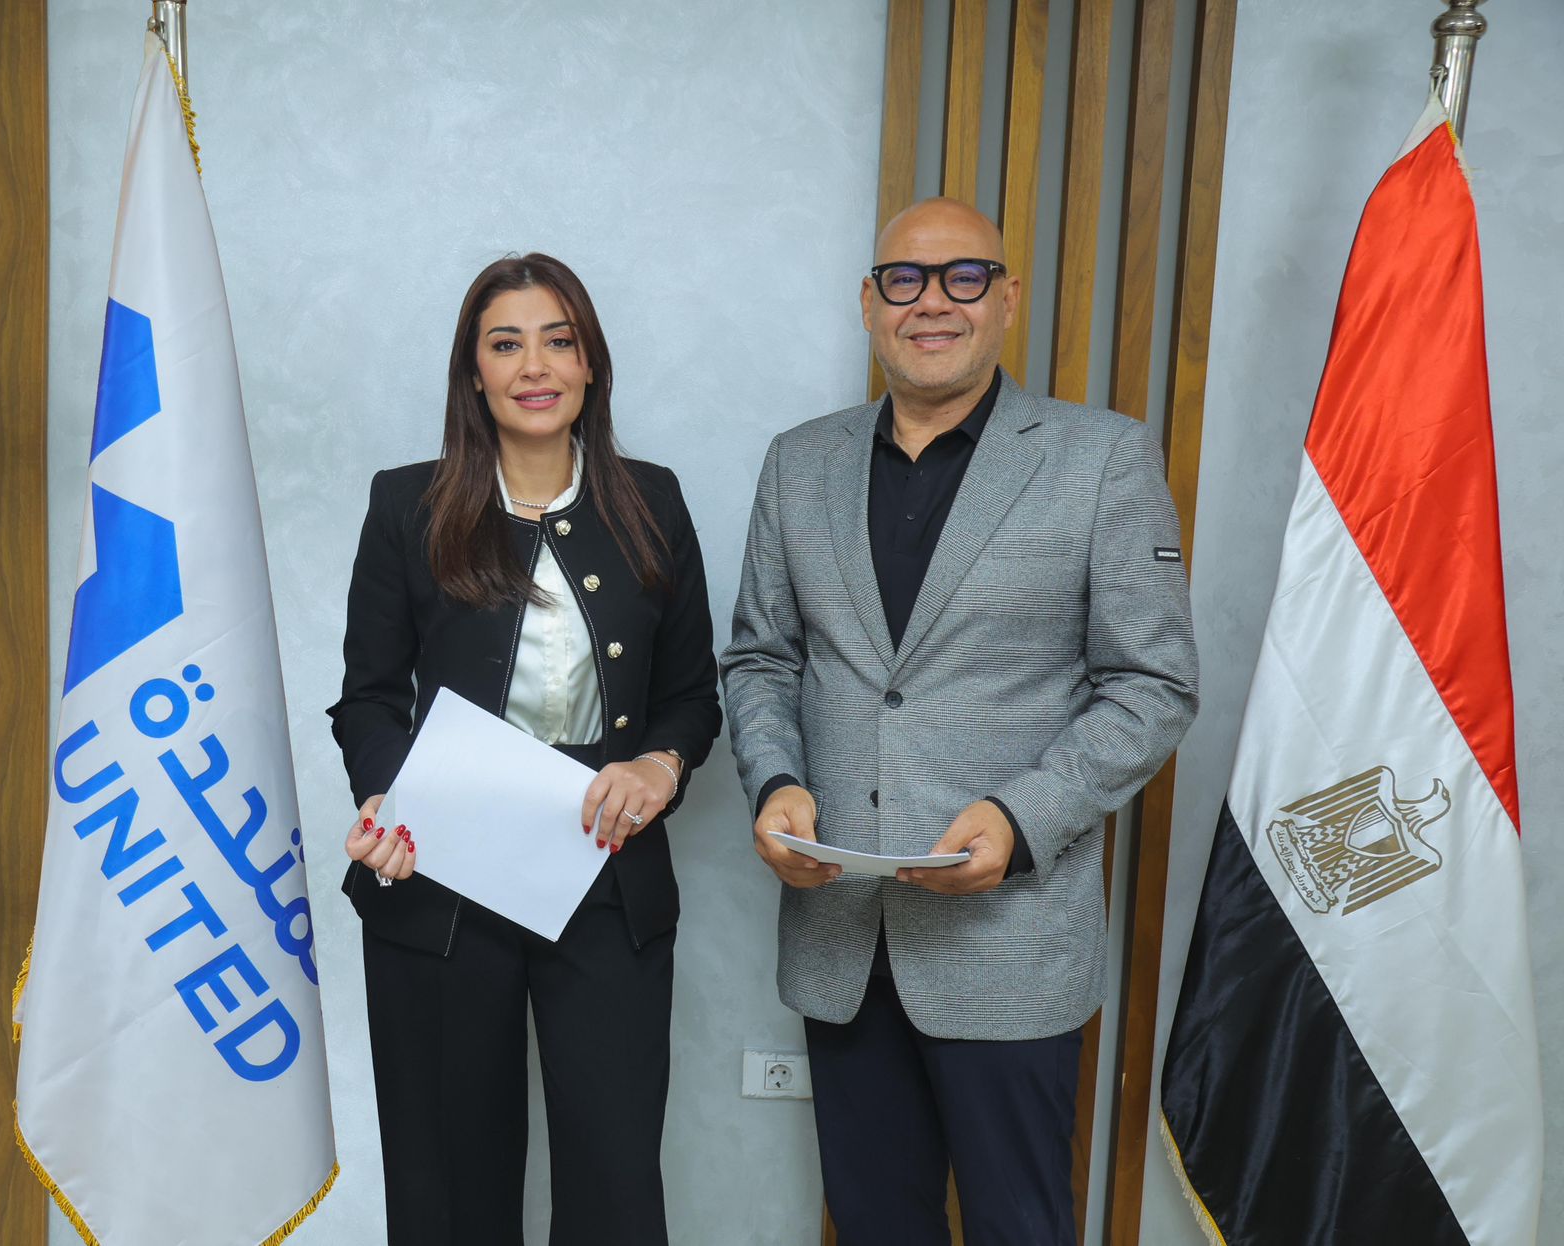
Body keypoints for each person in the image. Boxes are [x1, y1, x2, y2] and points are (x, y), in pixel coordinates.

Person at [721, 198, 1198, 1245]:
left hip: (1008, 944)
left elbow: (1153, 684)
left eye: (963, 277)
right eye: (904, 279)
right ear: (868, 303)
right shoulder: (798, 463)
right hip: (842, 939)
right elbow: (761, 657)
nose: (931, 302)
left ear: (1007, 298)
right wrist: (775, 780)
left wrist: (1024, 818)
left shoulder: (1101, 459)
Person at [328, 253, 721, 1245]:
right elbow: (369, 698)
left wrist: (659, 766)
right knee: (448, 1186)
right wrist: (390, 802)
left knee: (613, 1183)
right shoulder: (406, 505)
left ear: (591, 364)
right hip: (440, 874)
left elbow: (689, 697)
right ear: (474, 373)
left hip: (608, 868)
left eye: (559, 340)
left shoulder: (654, 501)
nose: (534, 366)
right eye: (506, 344)